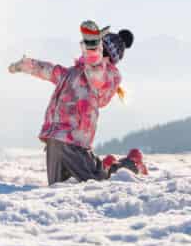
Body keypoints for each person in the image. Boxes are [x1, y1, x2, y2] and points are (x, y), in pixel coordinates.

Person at [8, 21, 144, 185]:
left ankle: (131, 164)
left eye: (99, 49)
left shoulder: (107, 75)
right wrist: (25, 65)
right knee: (58, 186)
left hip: (74, 141)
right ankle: (105, 165)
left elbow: (95, 70)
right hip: (54, 138)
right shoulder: (72, 73)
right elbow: (48, 70)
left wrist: (92, 48)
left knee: (97, 183)